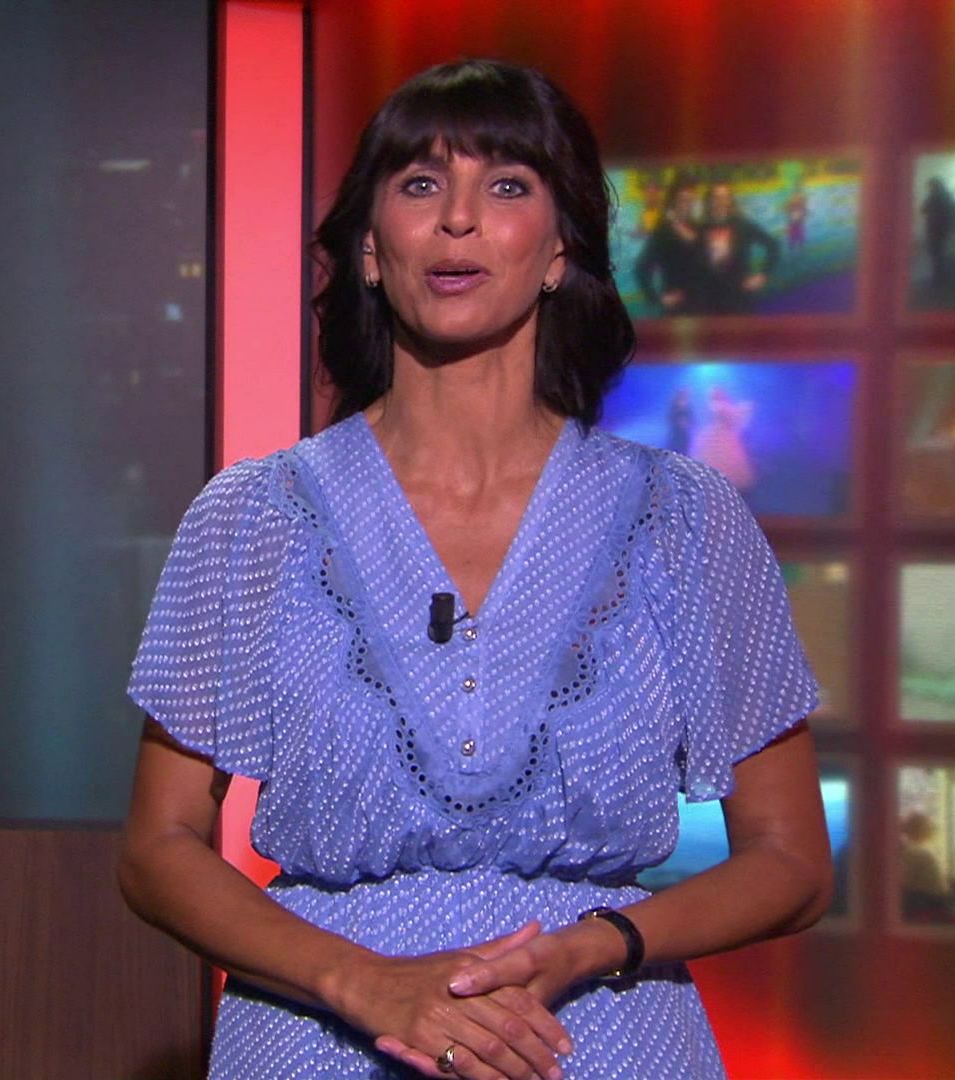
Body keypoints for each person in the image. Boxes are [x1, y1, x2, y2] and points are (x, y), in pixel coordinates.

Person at [119, 59, 831, 1079]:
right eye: (420, 183)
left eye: (505, 184)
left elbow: (793, 862)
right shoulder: (251, 516)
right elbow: (157, 850)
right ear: (371, 248)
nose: (458, 219)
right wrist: (364, 982)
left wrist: (592, 944)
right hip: (321, 1033)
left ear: (559, 248)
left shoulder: (685, 517)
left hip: (596, 1031)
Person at [695, 181, 779, 315]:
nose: (720, 202)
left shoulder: (743, 225)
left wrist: (762, 275)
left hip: (740, 299)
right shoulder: (700, 229)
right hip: (710, 301)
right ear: (709, 201)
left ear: (730, 201)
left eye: (725, 197)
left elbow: (773, 245)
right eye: (716, 197)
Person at [633, 175, 705, 314]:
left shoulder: (699, 227)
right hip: (678, 307)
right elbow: (641, 268)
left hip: (703, 304)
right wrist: (656, 298)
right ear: (674, 201)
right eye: (683, 200)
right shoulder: (663, 230)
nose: (688, 204)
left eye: (691, 200)